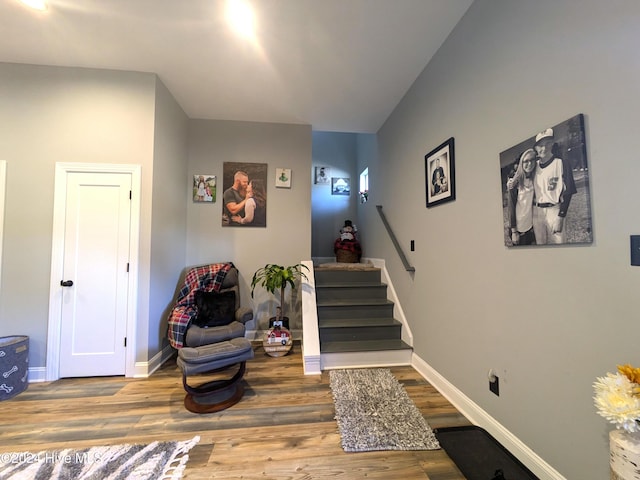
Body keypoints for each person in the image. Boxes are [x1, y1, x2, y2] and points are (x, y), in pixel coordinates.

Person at [531, 128, 576, 244]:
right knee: (540, 245)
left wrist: (561, 216)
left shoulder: (561, 163)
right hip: (537, 211)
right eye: (540, 146)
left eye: (547, 144)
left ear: (552, 144)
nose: (544, 148)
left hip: (554, 210)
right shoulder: (533, 166)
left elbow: (569, 191)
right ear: (536, 148)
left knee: (560, 243)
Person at [506, 148, 537, 245]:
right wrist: (514, 231)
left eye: (532, 160)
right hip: (519, 228)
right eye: (526, 161)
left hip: (531, 226)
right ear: (521, 163)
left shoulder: (534, 178)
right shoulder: (515, 182)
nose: (529, 163)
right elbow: (511, 208)